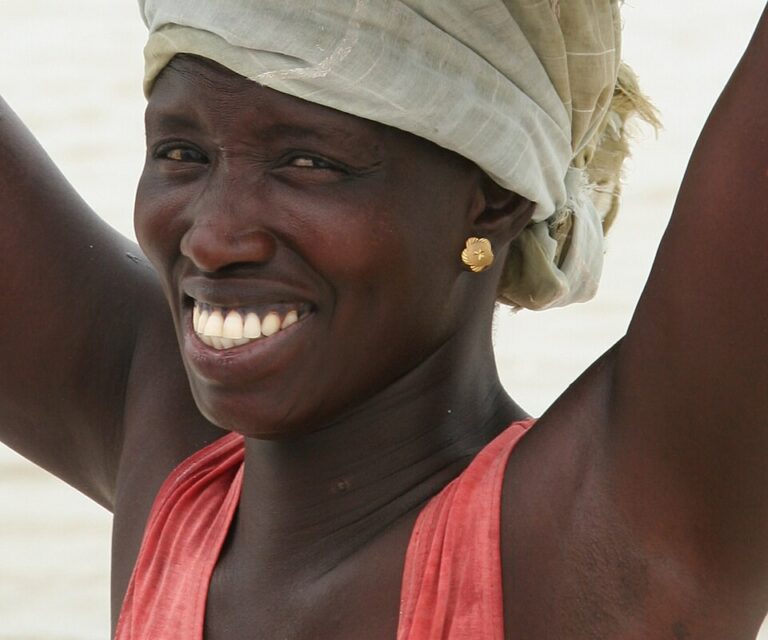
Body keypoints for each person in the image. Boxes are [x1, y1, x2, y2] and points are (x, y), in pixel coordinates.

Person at [1, 1, 767, 638]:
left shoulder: (597, 543)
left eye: (307, 163)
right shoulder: (175, 480)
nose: (211, 236)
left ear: (494, 196)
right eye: (181, 152)